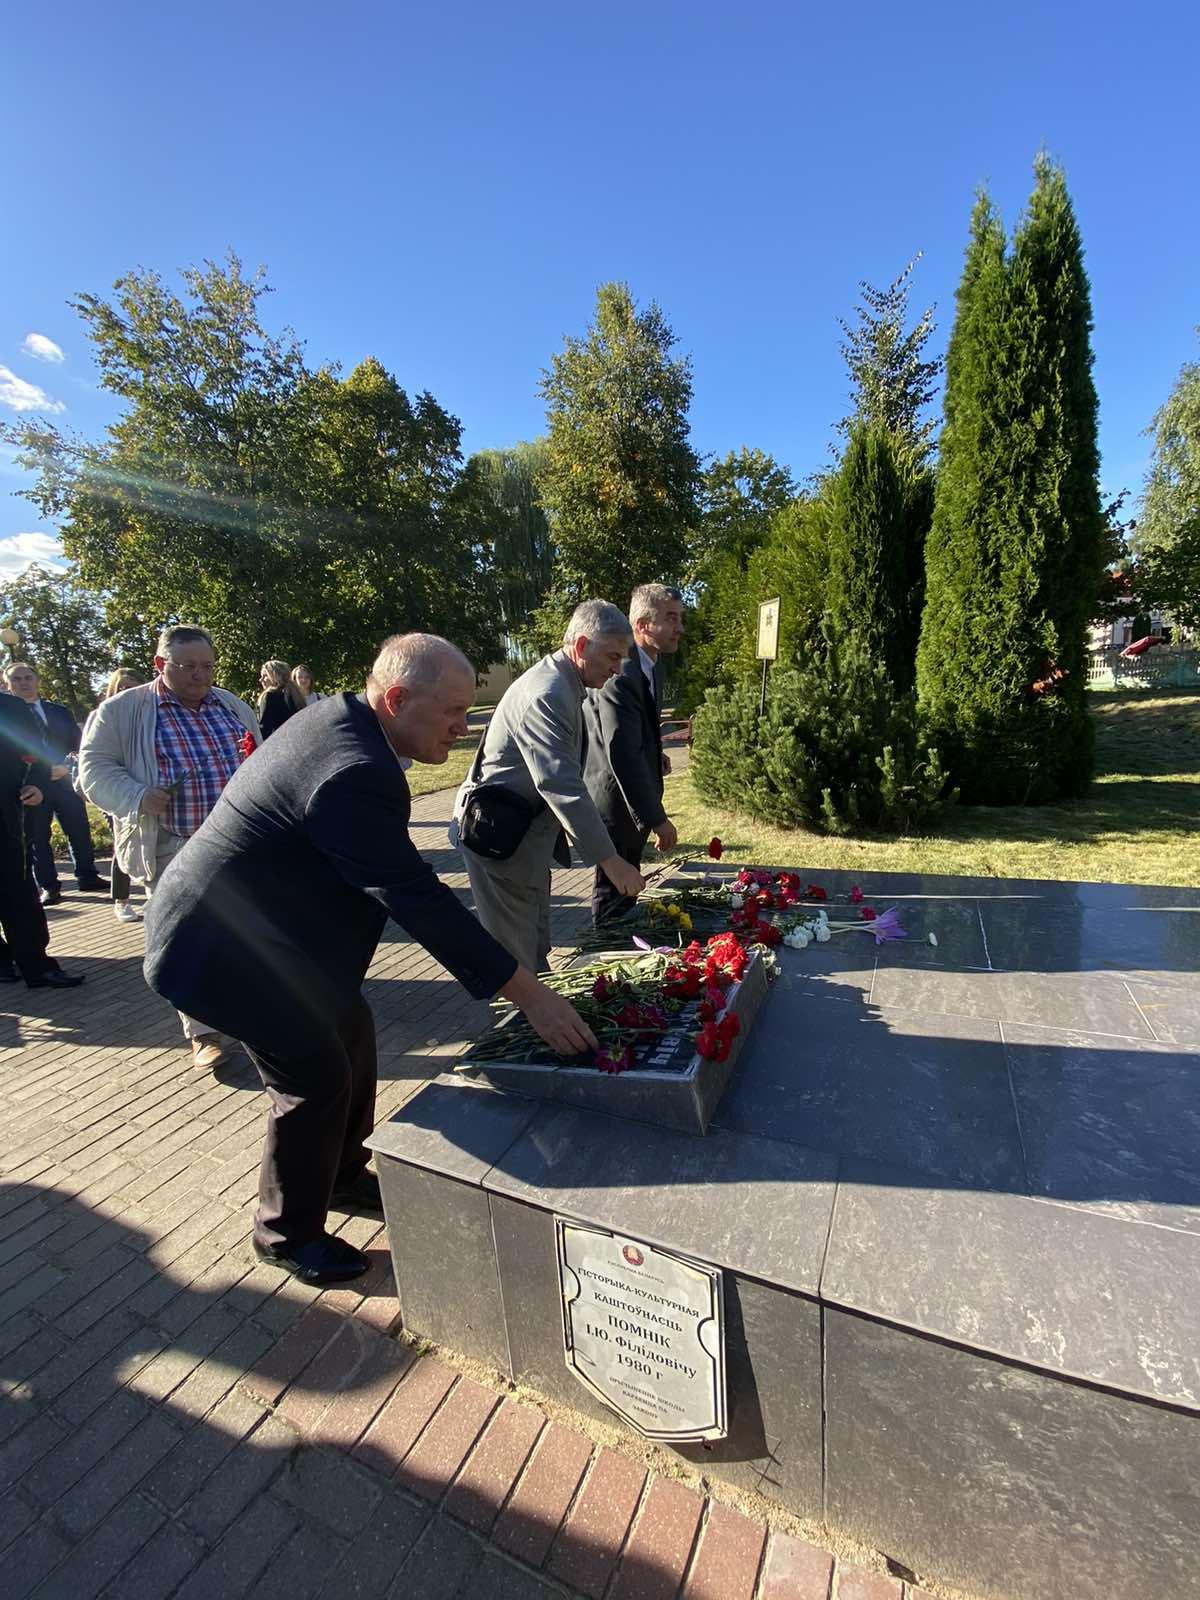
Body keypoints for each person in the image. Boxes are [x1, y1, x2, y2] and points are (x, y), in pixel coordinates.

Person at [143, 633, 598, 1287]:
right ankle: (285, 1233)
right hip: (216, 946)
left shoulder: (352, 729)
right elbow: (414, 895)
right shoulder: (354, 766)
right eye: (451, 712)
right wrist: (531, 994)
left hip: (270, 939)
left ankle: (341, 1177)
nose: (463, 726)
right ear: (397, 698)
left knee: (351, 1031)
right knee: (316, 1075)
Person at [79, 625, 261, 1070]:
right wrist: (139, 795)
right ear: (161, 665)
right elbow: (93, 769)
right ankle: (202, 1034)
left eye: (207, 666)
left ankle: (252, 1015)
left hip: (238, 842)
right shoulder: (124, 710)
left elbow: (260, 757)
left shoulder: (231, 704)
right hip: (171, 846)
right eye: (189, 667)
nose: (201, 676)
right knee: (184, 938)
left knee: (244, 935)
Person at [453, 600, 645, 974]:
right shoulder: (548, 693)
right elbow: (561, 785)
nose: (617, 668)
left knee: (536, 948)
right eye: (611, 656)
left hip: (523, 843)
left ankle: (544, 1022)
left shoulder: (567, 683)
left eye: (622, 658)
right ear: (580, 646)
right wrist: (612, 862)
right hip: (499, 842)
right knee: (517, 964)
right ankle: (526, 1028)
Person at [584, 583, 685, 925]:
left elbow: (640, 732)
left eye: (680, 618)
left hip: (631, 801)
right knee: (613, 895)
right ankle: (606, 962)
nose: (679, 628)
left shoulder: (650, 665)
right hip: (617, 803)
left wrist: (656, 755)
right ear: (641, 625)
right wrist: (656, 818)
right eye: (670, 618)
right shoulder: (621, 673)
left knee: (627, 890)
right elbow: (622, 752)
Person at [3, 663, 108, 905]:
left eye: (28, 677)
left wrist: (67, 766)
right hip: (31, 787)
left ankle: (87, 875)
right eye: (17, 679)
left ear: (37, 680)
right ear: (8, 685)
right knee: (39, 837)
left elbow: (77, 743)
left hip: (64, 779)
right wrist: (37, 773)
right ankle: (49, 886)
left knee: (79, 830)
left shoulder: (59, 711)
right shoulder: (8, 717)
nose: (24, 682)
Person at [0, 691, 85, 988]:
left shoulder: (11, 707)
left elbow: (35, 753)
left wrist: (37, 784)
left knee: (20, 892)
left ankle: (37, 965)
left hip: (10, 814)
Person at [82, 668, 144, 923]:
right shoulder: (102, 716)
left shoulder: (148, 716)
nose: (127, 692)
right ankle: (122, 899)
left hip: (148, 789)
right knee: (124, 844)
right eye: (122, 687)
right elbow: (94, 760)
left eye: (132, 687)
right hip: (119, 792)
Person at [258, 660, 305, 738]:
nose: (261, 679)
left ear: (275, 676)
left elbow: (265, 728)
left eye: (265, 676)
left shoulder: (270, 695)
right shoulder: (295, 693)